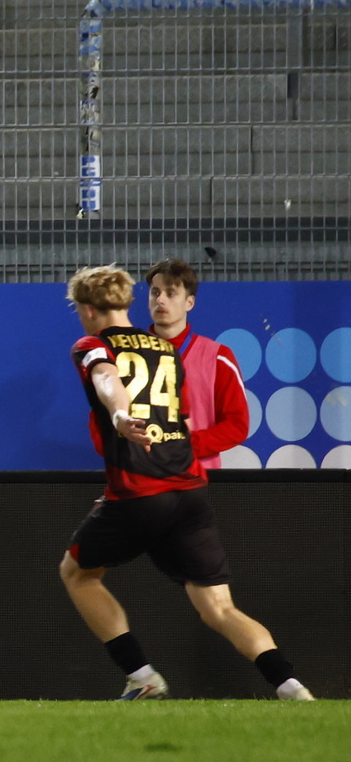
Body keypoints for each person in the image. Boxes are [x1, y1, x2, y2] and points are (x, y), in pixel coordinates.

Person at [61, 264, 313, 701]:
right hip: (189, 493)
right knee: (219, 607)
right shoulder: (166, 351)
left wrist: (119, 415)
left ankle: (141, 676)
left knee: (77, 573)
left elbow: (106, 377)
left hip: (139, 493)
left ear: (86, 310)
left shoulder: (92, 344)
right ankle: (290, 686)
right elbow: (177, 422)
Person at [144, 259, 249, 468]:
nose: (160, 300)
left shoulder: (218, 357)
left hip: (199, 476)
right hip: (143, 476)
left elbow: (237, 425)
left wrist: (185, 446)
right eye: (155, 292)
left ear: (189, 303)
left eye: (171, 293)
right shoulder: (128, 356)